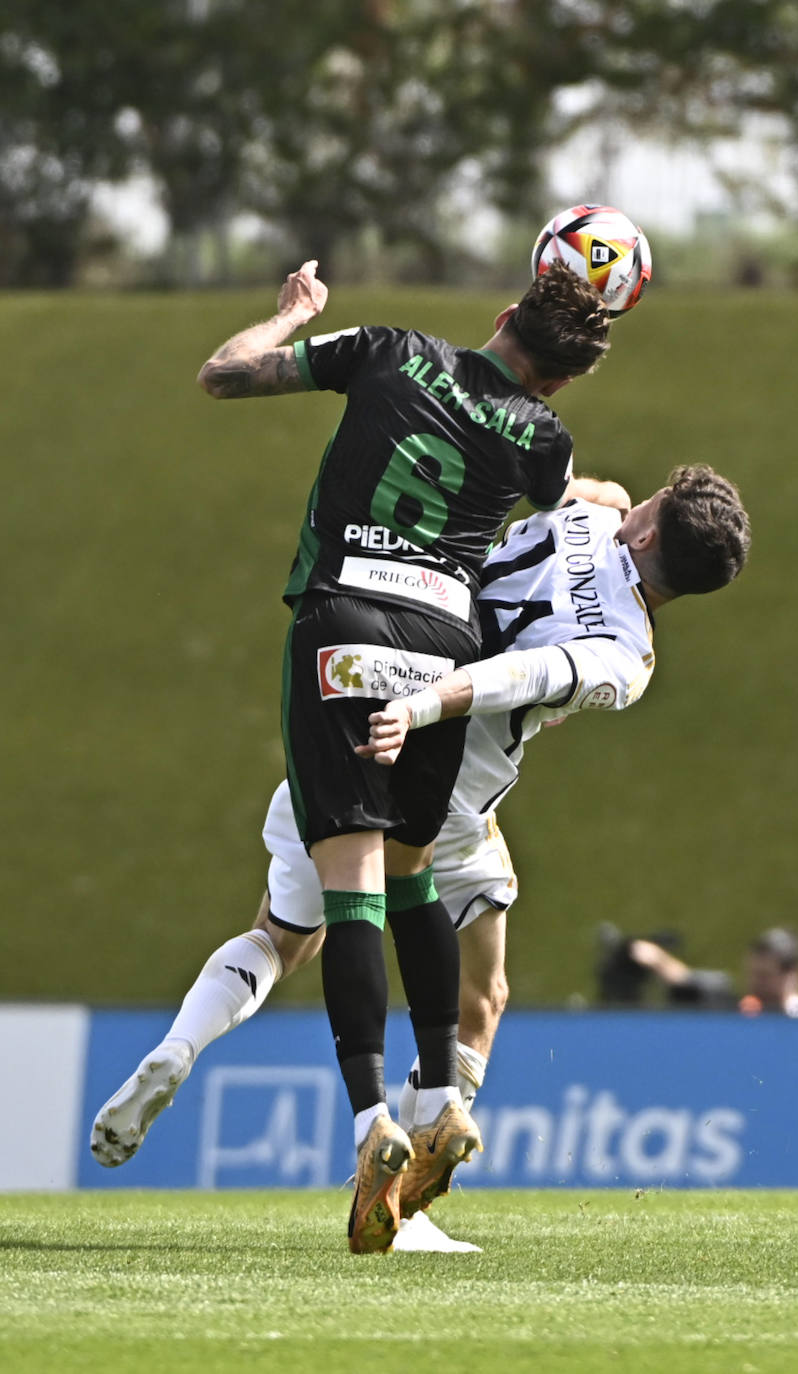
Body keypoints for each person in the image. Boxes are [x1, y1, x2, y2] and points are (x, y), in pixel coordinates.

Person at [92, 466, 750, 1248]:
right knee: (486, 995)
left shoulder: (587, 515)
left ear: (645, 529)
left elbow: (585, 497)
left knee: (281, 938)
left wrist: (594, 498)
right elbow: (526, 674)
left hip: (354, 735)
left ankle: (180, 1045)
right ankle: (405, 1205)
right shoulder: (626, 658)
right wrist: (433, 706)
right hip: (450, 797)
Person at [193, 258, 614, 1253]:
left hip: (342, 622)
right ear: (558, 382)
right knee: (415, 877)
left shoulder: (388, 353)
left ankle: (370, 1122)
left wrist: (288, 317)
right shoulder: (545, 440)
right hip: (440, 656)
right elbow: (566, 506)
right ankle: (440, 1100)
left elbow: (223, 374)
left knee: (349, 891)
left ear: (502, 314)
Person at [597, 925, 798, 1016]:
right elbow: (686, 979)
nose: (755, 982)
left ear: (792, 975)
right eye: (753, 974)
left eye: (764, 976)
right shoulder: (746, 1009)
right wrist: (656, 959)